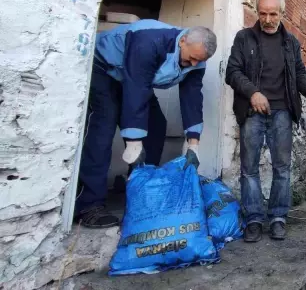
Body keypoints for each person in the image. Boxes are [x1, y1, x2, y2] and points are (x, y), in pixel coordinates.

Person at [75, 19, 217, 228]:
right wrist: (133, 140)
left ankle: (139, 188)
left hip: (134, 79)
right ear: (183, 41)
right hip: (103, 69)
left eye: (200, 61)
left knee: (156, 126)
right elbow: (136, 88)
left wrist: (193, 143)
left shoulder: (197, 59)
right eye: (192, 58)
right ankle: (88, 205)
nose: (194, 64)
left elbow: (192, 98)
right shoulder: (149, 40)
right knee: (102, 128)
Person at [225, 0, 306, 242]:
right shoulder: (244, 38)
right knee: (249, 169)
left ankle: (278, 217)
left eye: (273, 14)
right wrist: (253, 93)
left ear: (282, 13)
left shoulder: (291, 43)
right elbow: (232, 72)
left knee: (282, 168)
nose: (267, 19)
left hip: (282, 111)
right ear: (257, 12)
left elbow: (299, 72)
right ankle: (254, 219)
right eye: (263, 13)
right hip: (253, 111)